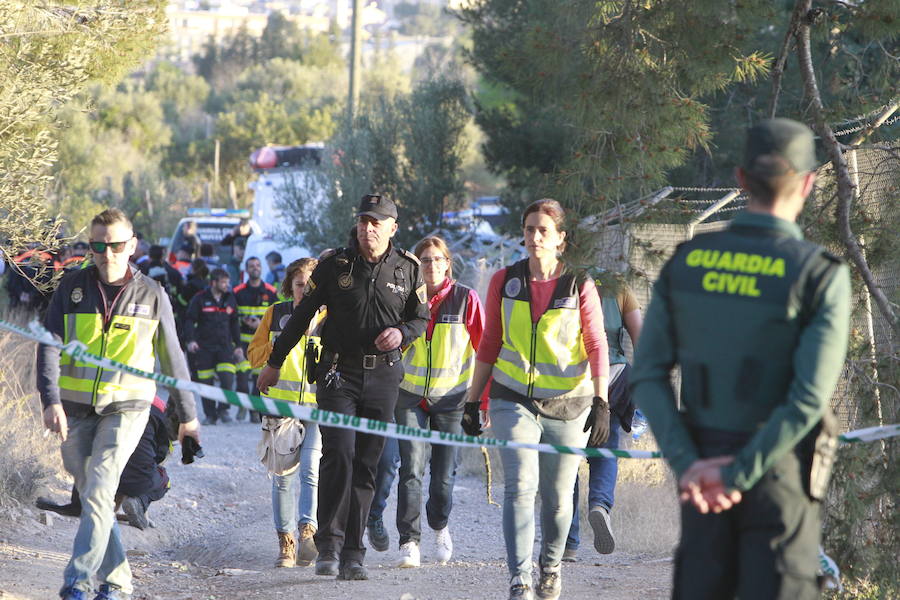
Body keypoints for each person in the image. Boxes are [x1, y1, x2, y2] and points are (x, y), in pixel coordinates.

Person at [631, 118, 851, 599]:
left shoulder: (688, 263)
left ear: (741, 179)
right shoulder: (818, 275)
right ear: (810, 183)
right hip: (779, 476)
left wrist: (689, 464)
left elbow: (646, 374)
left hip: (700, 478)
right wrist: (740, 472)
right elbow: (806, 398)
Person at [257, 193, 430, 581]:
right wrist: (274, 363)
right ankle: (329, 547)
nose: (368, 228)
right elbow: (301, 315)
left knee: (367, 462)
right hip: (338, 374)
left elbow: (420, 319)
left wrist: (401, 333)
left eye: (377, 222)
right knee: (339, 454)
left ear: (392, 228)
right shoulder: (335, 265)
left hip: (384, 375)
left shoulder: (407, 269)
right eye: (363, 220)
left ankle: (354, 552)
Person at [36, 208, 200, 600]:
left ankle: (77, 582)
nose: (106, 253)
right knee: (94, 496)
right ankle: (119, 582)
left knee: (102, 487)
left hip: (127, 409)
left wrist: (188, 418)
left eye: (115, 245)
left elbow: (174, 358)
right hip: (74, 411)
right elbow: (48, 346)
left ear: (132, 246)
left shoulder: (153, 295)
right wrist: (50, 399)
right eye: (97, 245)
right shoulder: (70, 288)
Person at [462, 199, 610, 600]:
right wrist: (474, 401)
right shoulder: (504, 281)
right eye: (529, 229)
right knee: (520, 486)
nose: (535, 237)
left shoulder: (579, 284)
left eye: (544, 230)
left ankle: (551, 566)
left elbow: (597, 343)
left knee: (560, 498)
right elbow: (490, 341)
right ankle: (520, 579)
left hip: (570, 402)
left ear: (561, 239)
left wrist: (602, 401)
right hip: (515, 399)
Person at [391, 236, 487, 568]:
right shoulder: (404, 300)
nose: (431, 265)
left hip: (452, 399)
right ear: (417, 265)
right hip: (408, 398)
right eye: (425, 260)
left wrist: (481, 403)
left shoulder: (466, 299)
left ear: (448, 264)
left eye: (437, 259)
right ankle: (409, 541)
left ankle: (440, 525)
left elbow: (485, 351)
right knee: (411, 470)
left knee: (444, 476)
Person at [248, 258, 325, 569]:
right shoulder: (276, 313)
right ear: (290, 286)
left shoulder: (329, 315)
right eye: (299, 284)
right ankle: (286, 542)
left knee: (310, 469)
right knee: (282, 477)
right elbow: (254, 356)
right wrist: (279, 346)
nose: (304, 289)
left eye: (310, 285)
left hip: (318, 406)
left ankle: (308, 533)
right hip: (280, 407)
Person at [564, 280, 643, 560]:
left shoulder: (560, 280)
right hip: (614, 376)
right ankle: (599, 504)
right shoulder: (619, 286)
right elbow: (640, 337)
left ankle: (568, 541)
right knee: (606, 449)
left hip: (570, 381)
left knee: (566, 458)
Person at [184, 268, 242, 425]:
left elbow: (234, 322)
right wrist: (190, 341)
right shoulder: (199, 299)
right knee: (206, 383)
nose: (226, 285)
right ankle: (210, 415)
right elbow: (189, 320)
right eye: (223, 282)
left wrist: (238, 345)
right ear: (213, 283)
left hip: (225, 347)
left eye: (227, 282)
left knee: (227, 379)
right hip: (204, 348)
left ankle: (223, 409)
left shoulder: (230, 298)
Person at [233, 256, 279, 421]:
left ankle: (253, 410)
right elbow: (231, 318)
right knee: (242, 379)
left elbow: (278, 317)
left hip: (262, 343)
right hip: (243, 342)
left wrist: (260, 324)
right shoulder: (237, 292)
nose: (255, 268)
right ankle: (243, 406)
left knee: (258, 379)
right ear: (246, 269)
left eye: (258, 265)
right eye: (251, 266)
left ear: (261, 269)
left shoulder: (271, 292)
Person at [141, 245, 183, 309]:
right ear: (163, 257)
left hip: (148, 308)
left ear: (149, 256)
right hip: (170, 308)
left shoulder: (143, 272)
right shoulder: (174, 272)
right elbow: (180, 292)